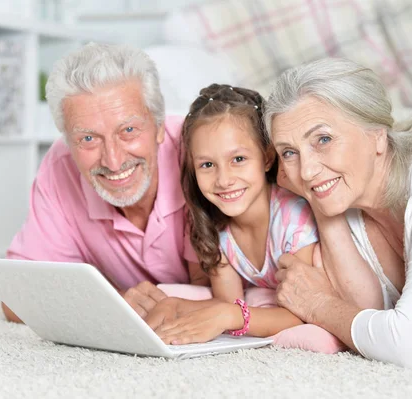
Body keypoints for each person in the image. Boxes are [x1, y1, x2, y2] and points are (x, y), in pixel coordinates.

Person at [264, 57, 412, 367]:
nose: (306, 170)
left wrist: (318, 304)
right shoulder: (346, 198)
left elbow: (411, 346)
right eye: (290, 153)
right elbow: (362, 317)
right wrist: (321, 203)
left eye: (323, 139)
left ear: (376, 134)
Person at [2, 43, 208, 323]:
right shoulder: (60, 166)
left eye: (128, 130)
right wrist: (111, 301)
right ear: (68, 142)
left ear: (159, 126)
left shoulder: (206, 152)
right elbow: (16, 297)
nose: (112, 161)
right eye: (88, 139)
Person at [147, 84, 344, 353]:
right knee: (166, 296)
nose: (224, 180)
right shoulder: (214, 224)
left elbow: (304, 309)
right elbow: (228, 301)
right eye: (207, 165)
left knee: (317, 339)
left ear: (266, 158)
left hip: (306, 304)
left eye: (238, 159)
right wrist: (178, 306)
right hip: (262, 299)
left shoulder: (293, 216)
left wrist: (230, 316)